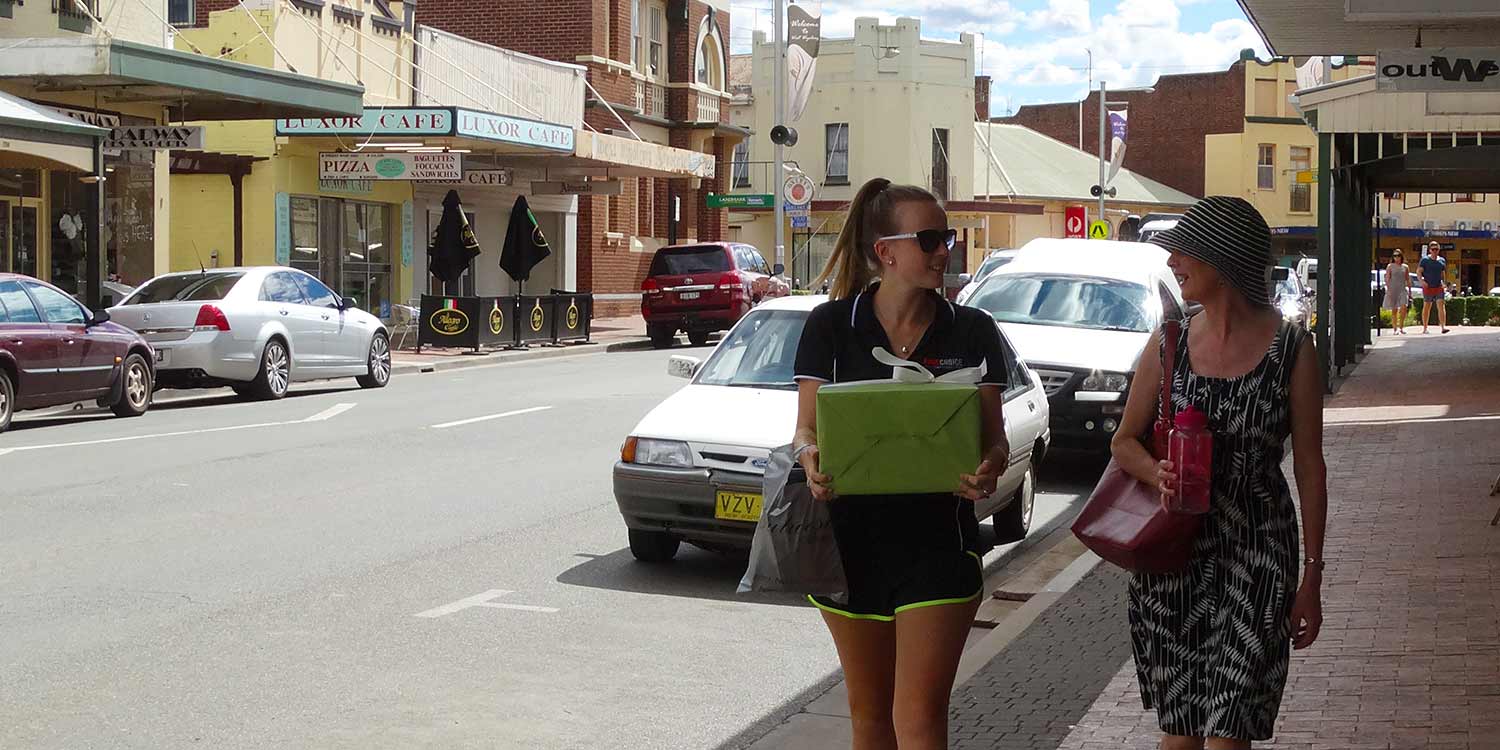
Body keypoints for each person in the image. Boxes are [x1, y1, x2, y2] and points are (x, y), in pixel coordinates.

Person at [791, 177, 1010, 750]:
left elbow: (997, 442)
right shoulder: (830, 326)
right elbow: (805, 428)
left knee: (918, 721)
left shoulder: (973, 328)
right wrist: (809, 460)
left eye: (948, 238)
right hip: (848, 546)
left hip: (940, 544)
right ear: (886, 252)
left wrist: (987, 468)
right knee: (868, 720)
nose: (946, 251)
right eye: (931, 239)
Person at [1114, 196, 1329, 750]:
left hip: (1258, 558)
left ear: (1224, 256)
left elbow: (1309, 465)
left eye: (1183, 251)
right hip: (1172, 564)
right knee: (1180, 736)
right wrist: (1157, 470)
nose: (1172, 263)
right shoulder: (1169, 343)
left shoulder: (1293, 350)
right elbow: (1123, 442)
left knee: (1230, 733)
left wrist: (1312, 576)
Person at [1419, 241, 1450, 334]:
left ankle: (1443, 327)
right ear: (1430, 250)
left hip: (1438, 286)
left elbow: (1443, 272)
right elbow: (1419, 271)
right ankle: (1425, 328)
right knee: (1427, 306)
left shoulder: (1442, 260)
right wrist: (1422, 281)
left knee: (1441, 305)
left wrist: (1444, 282)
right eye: (1433, 249)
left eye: (1436, 249)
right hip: (1428, 286)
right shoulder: (1425, 260)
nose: (1435, 251)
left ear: (1439, 250)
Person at [1384, 250, 1412, 334]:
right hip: (1393, 289)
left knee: (1404, 307)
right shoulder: (1390, 266)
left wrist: (1410, 290)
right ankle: (1395, 329)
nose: (1396, 257)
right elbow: (1387, 278)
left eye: (1398, 255)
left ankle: (1401, 327)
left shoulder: (1405, 267)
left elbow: (1407, 279)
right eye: (1395, 256)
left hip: (1402, 289)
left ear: (1401, 256)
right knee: (1394, 309)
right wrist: (1388, 289)